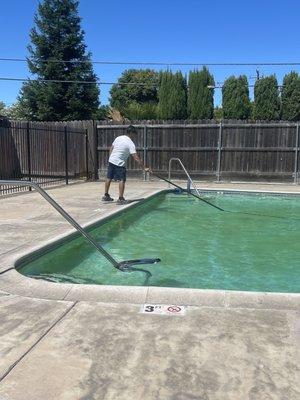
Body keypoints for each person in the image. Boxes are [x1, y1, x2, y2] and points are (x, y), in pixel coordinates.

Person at [102, 125, 151, 204]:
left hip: (111, 160)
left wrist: (111, 158)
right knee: (122, 180)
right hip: (119, 163)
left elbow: (111, 148)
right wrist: (144, 168)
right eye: (135, 133)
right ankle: (121, 199)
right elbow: (136, 157)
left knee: (109, 177)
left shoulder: (118, 138)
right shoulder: (130, 143)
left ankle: (106, 196)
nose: (135, 135)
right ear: (131, 133)